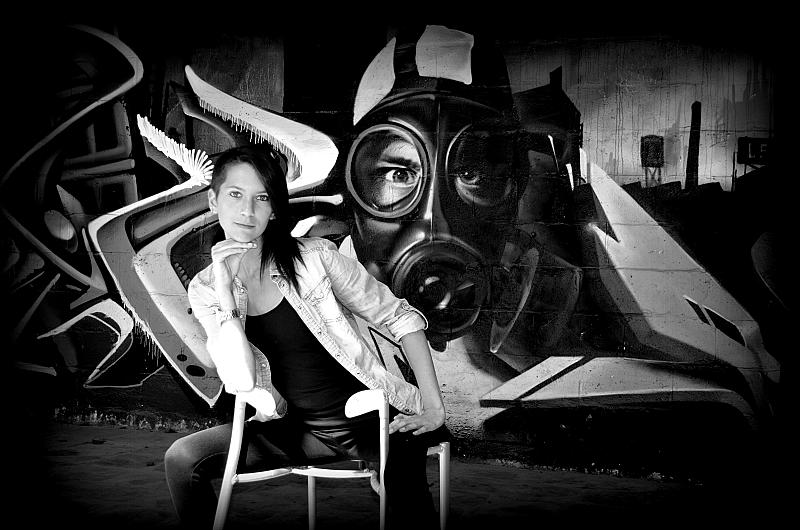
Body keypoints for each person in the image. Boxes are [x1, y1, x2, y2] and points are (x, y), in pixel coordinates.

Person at [164, 144, 448, 529]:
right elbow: (241, 380)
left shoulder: (315, 258)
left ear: (273, 209)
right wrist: (227, 290)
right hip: (296, 430)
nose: (247, 210)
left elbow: (400, 317)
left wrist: (433, 407)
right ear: (214, 201)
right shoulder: (206, 288)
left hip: (374, 418)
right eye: (235, 195)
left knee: (404, 478)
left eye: (261, 198)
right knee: (182, 458)